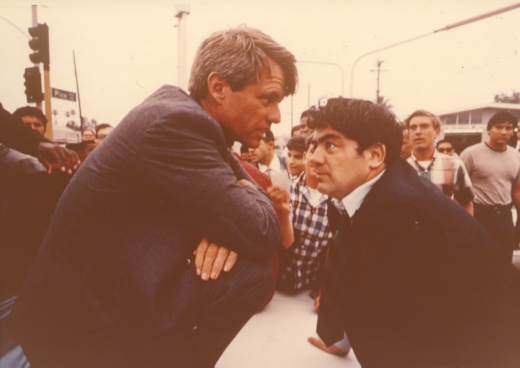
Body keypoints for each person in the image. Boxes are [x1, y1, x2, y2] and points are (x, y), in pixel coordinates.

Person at [8, 26, 298, 368]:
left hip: (99, 303)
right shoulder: (175, 124)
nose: (277, 115)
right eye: (268, 98)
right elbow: (264, 234)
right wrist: (242, 215)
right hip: (73, 332)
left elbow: (251, 217)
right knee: (251, 275)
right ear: (218, 87)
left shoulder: (185, 117)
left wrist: (237, 218)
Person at [307, 97, 520, 368]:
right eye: (314, 146)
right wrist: (338, 338)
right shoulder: (374, 187)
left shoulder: (398, 210)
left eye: (330, 145)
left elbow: (397, 327)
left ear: (374, 155)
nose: (314, 158)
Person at [461, 111, 520, 261]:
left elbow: (517, 190)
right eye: (498, 127)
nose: (503, 131)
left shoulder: (516, 156)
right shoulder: (470, 154)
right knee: (476, 262)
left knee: (504, 264)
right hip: (478, 216)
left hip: (504, 218)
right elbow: (458, 188)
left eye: (508, 128)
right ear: (488, 130)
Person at [405, 109, 474, 215]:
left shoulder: (454, 165)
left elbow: (466, 203)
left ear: (436, 132)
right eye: (413, 127)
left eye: (424, 126)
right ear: (408, 134)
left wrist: (466, 231)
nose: (418, 131)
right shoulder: (401, 167)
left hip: (446, 229)